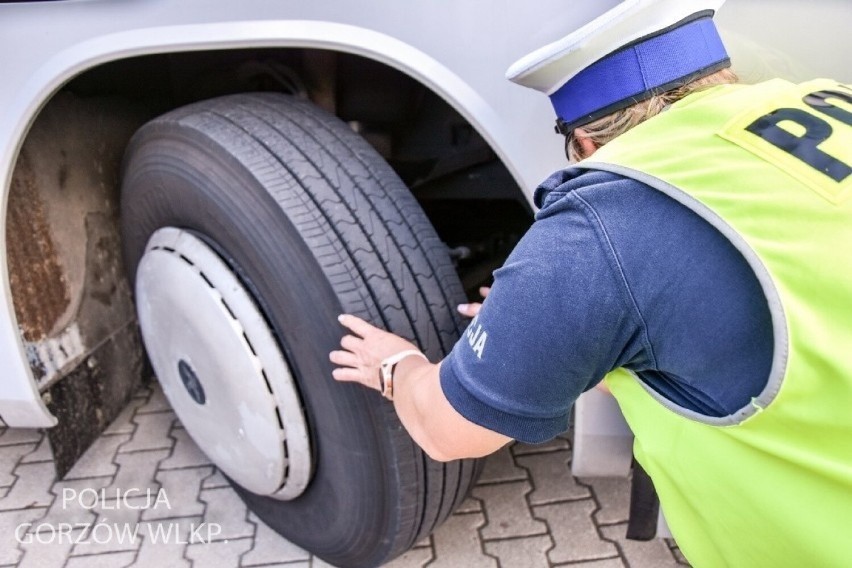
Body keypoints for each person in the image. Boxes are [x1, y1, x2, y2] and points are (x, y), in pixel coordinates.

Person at [330, 0, 852, 565]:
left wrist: (398, 366)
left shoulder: (604, 223)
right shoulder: (828, 102)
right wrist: (551, 337)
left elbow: (446, 431)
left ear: (583, 141)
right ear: (719, 75)